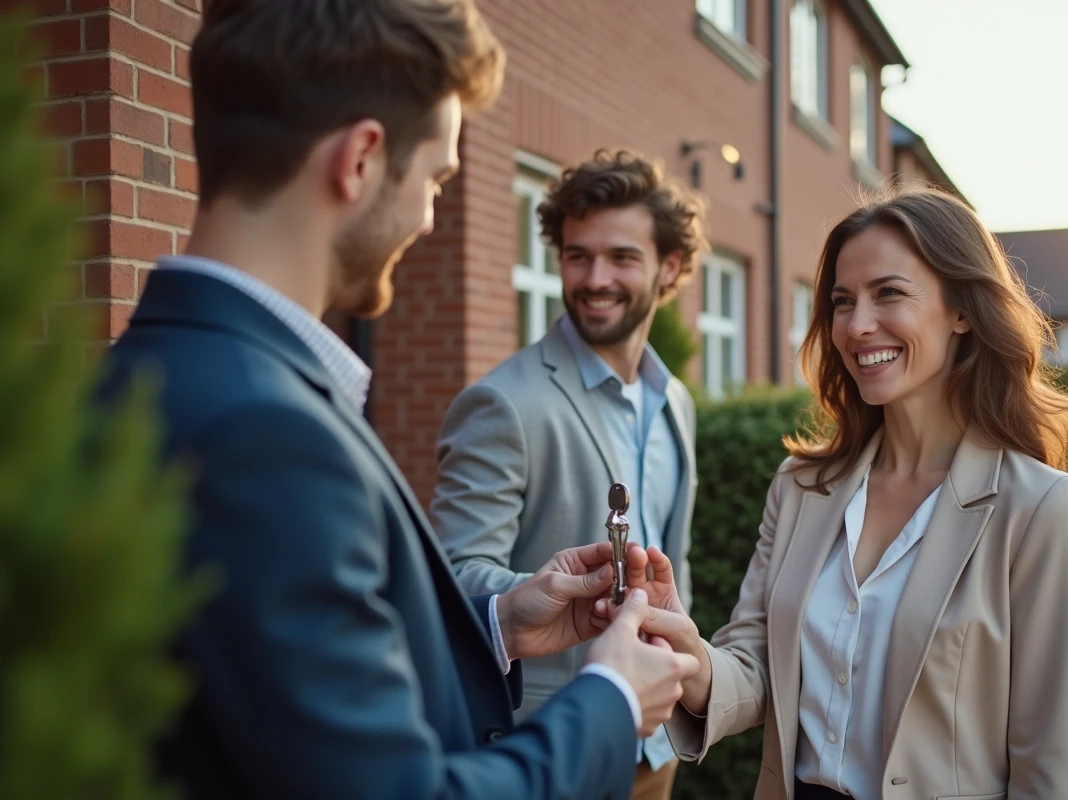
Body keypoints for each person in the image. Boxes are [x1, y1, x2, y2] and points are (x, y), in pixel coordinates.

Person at [92, 2, 699, 799]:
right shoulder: (268, 432)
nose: (429, 215)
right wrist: (613, 696)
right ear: (362, 159)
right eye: (438, 177)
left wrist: (503, 620)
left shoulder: (164, 371)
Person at [601, 188, 1068, 800]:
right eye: (842, 301)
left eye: (889, 293)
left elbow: (1048, 764)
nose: (857, 325)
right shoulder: (800, 487)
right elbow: (759, 665)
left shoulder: (1038, 509)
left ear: (961, 310)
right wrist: (690, 654)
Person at [431, 150, 705, 800]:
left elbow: (675, 565)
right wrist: (566, 593)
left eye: (621, 257)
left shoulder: (677, 402)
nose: (594, 277)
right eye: (577, 255)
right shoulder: (503, 403)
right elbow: (451, 578)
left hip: (656, 745)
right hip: (552, 750)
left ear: (668, 267)